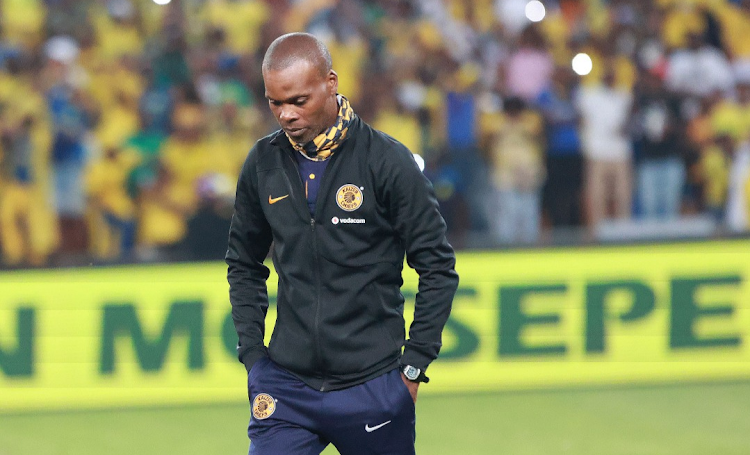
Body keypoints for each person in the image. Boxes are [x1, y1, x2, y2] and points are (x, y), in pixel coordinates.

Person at [225, 33, 459, 455]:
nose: (286, 115)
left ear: (330, 82)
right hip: (285, 385)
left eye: (298, 100)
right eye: (275, 102)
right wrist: (253, 357)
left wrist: (414, 366)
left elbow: (438, 267)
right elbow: (243, 263)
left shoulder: (386, 161)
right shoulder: (263, 162)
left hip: (373, 384)